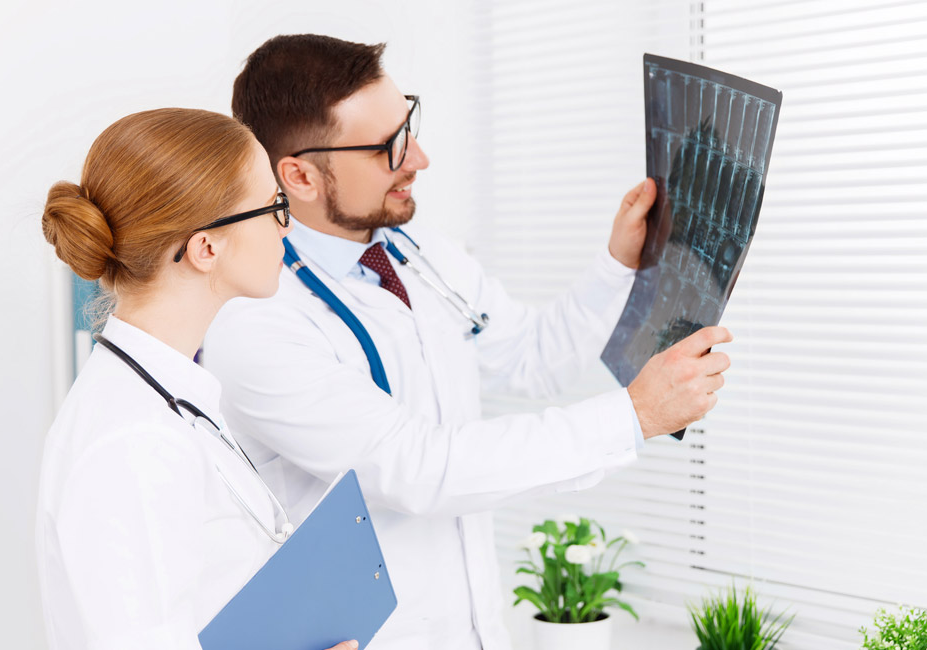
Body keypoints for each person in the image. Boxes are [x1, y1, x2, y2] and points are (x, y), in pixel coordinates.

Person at [204, 35, 731, 650]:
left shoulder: (420, 251)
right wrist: (632, 417)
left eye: (409, 128)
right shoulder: (255, 320)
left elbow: (532, 358)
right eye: (388, 147)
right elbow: (418, 468)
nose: (419, 159)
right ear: (298, 175)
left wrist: (618, 264)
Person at [36, 107, 358, 650]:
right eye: (275, 206)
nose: (288, 225)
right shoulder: (134, 440)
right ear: (206, 247)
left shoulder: (167, 399)